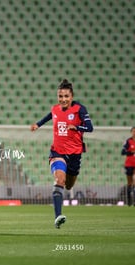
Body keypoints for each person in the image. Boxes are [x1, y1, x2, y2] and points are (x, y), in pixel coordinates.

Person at [30, 79, 93, 229]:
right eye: (60, 96)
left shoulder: (80, 109)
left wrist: (76, 127)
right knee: (59, 179)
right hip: (57, 152)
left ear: (71, 96)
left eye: (66, 96)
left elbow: (90, 128)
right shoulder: (55, 109)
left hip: (75, 154)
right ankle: (58, 216)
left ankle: (63, 197)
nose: (63, 99)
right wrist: (37, 124)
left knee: (69, 185)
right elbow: (49, 116)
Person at [121, 126, 135, 206]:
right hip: (129, 164)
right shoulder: (128, 141)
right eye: (133, 131)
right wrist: (131, 152)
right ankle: (129, 201)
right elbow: (123, 152)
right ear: (131, 132)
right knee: (129, 183)